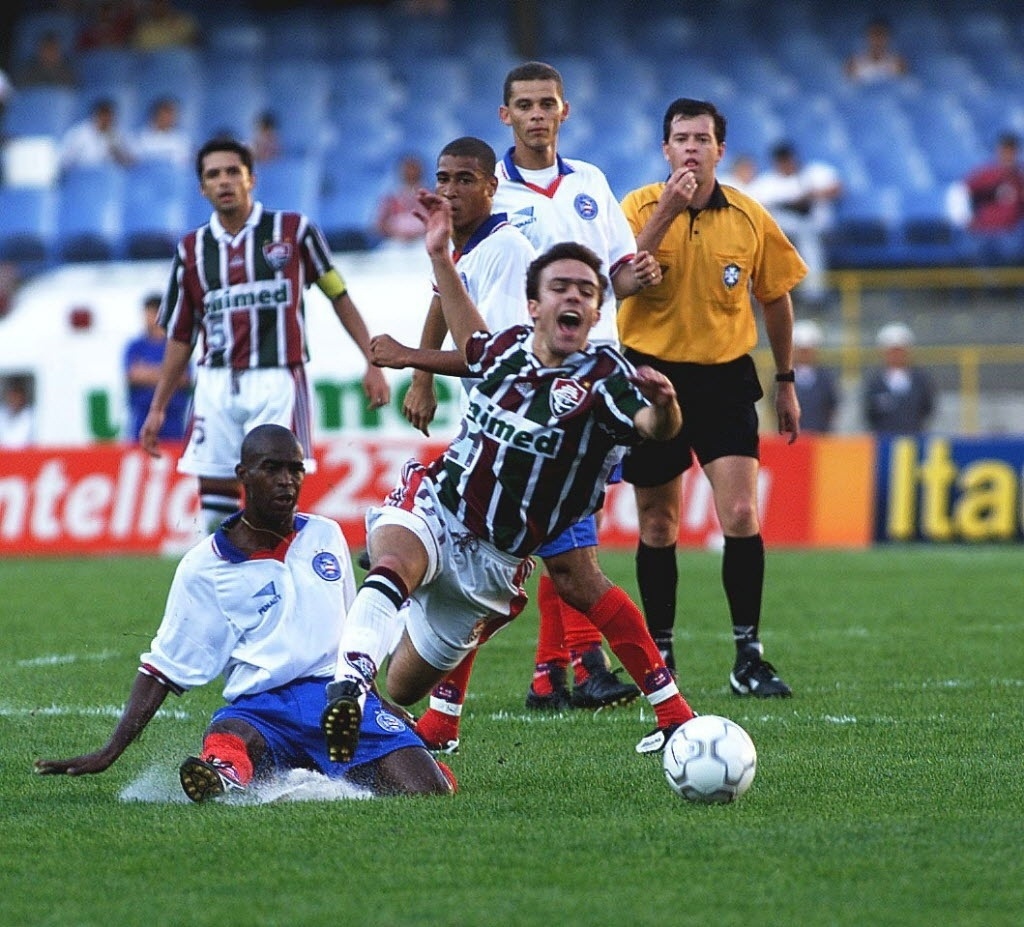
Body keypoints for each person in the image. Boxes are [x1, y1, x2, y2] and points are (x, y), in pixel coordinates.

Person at [321, 192, 696, 764]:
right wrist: (441, 256)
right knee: (394, 561)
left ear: (597, 314)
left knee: (400, 689)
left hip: (494, 564)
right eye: (560, 287)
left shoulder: (606, 377)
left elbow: (654, 427)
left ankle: (407, 710)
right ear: (534, 304)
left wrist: (667, 405)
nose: (573, 296)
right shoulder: (508, 349)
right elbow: (470, 340)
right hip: (438, 506)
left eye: (587, 292)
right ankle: (345, 683)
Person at [34, 424, 455, 801]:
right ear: (243, 476)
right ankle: (222, 770)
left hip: (335, 699)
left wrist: (373, 697)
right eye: (272, 469)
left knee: (429, 792)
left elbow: (353, 631)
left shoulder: (326, 536)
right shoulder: (205, 567)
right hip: (262, 709)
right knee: (232, 735)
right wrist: (110, 751)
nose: (287, 482)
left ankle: (339, 765)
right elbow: (163, 668)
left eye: (295, 470)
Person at [484, 59, 659, 721]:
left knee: (572, 524)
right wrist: (421, 370)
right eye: (523, 104)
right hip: (532, 376)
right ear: (506, 115)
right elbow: (452, 282)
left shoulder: (590, 182)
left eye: (546, 103)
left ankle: (552, 671)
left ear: (564, 110)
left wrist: (641, 271)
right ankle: (581, 663)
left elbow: (619, 274)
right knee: (551, 528)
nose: (536, 114)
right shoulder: (491, 189)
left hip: (599, 369)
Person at [617, 97, 808, 698]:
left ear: (720, 149)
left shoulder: (751, 217)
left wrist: (786, 380)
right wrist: (670, 209)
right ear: (665, 149)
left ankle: (748, 655)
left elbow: (775, 297)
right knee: (657, 523)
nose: (693, 147)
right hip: (651, 376)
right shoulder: (637, 208)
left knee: (743, 515)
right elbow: (617, 277)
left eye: (703, 138)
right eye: (682, 138)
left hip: (726, 376)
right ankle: (661, 659)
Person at [139, 137, 390, 536]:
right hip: (216, 383)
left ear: (250, 178)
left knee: (278, 490)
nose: (223, 181)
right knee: (215, 505)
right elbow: (182, 335)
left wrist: (371, 360)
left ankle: (282, 583)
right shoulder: (191, 250)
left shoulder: (293, 231)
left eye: (231, 172)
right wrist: (159, 406)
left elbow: (337, 293)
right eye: (212, 175)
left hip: (277, 379)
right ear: (202, 187)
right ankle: (228, 589)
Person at [748, 141, 842, 311]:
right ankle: (756, 293)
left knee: (807, 237)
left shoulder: (813, 173)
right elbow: (755, 207)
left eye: (788, 159)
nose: (786, 164)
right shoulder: (768, 182)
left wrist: (811, 194)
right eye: (782, 161)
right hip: (782, 230)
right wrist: (788, 203)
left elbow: (837, 189)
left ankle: (814, 295)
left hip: (820, 229)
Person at [123, 293, 192, 441]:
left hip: (173, 419)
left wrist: (148, 372)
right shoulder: (135, 346)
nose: (146, 318)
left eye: (150, 313)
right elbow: (133, 375)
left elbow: (185, 378)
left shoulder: (176, 345)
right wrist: (170, 373)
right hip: (142, 416)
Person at [960, 132, 1024, 266]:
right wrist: (968, 219)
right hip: (983, 233)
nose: (1008, 155)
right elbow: (962, 195)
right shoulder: (985, 175)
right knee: (971, 253)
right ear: (999, 151)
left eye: (1011, 151)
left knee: (1011, 251)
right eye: (1004, 150)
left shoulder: (1019, 178)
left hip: (1009, 234)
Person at [862, 322, 935, 434]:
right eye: (892, 351)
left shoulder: (921, 380)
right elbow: (869, 412)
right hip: (883, 441)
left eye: (899, 351)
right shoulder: (874, 382)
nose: (896, 355)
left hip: (913, 439)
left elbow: (927, 407)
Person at [57, 97, 134, 172]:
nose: (106, 121)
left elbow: (129, 164)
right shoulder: (78, 134)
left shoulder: (117, 135)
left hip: (108, 179)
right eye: (103, 117)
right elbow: (64, 163)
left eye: (109, 118)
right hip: (82, 177)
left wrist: (116, 150)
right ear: (95, 116)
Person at [791, 319, 839, 434]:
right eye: (801, 350)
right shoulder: (782, 377)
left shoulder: (826, 378)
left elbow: (832, 405)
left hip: (820, 436)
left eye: (807, 350)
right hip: (791, 439)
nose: (804, 354)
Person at [375, 153, 428, 243]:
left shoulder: (431, 196)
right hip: (397, 242)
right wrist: (396, 232)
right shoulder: (390, 198)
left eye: (413, 168)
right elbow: (379, 226)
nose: (411, 172)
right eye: (407, 169)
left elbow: (442, 222)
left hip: (424, 240)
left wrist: (420, 232)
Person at [844, 17, 909, 84]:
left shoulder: (898, 64)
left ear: (888, 38)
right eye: (874, 34)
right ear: (867, 37)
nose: (877, 40)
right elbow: (847, 88)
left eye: (881, 35)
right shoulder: (853, 64)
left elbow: (905, 86)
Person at [131, 96, 191, 167]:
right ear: (155, 115)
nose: (166, 119)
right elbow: (133, 163)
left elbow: (183, 166)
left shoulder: (182, 139)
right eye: (163, 115)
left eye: (170, 115)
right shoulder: (138, 137)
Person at [132, 0, 200, 51]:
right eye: (155, 3)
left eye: (161, 2)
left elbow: (195, 51)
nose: (159, 7)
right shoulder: (144, 30)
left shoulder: (182, 23)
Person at [0, 375, 35, 448]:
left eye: (16, 396)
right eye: (11, 396)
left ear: (23, 397)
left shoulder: (31, 415)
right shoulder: (2, 413)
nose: (13, 400)